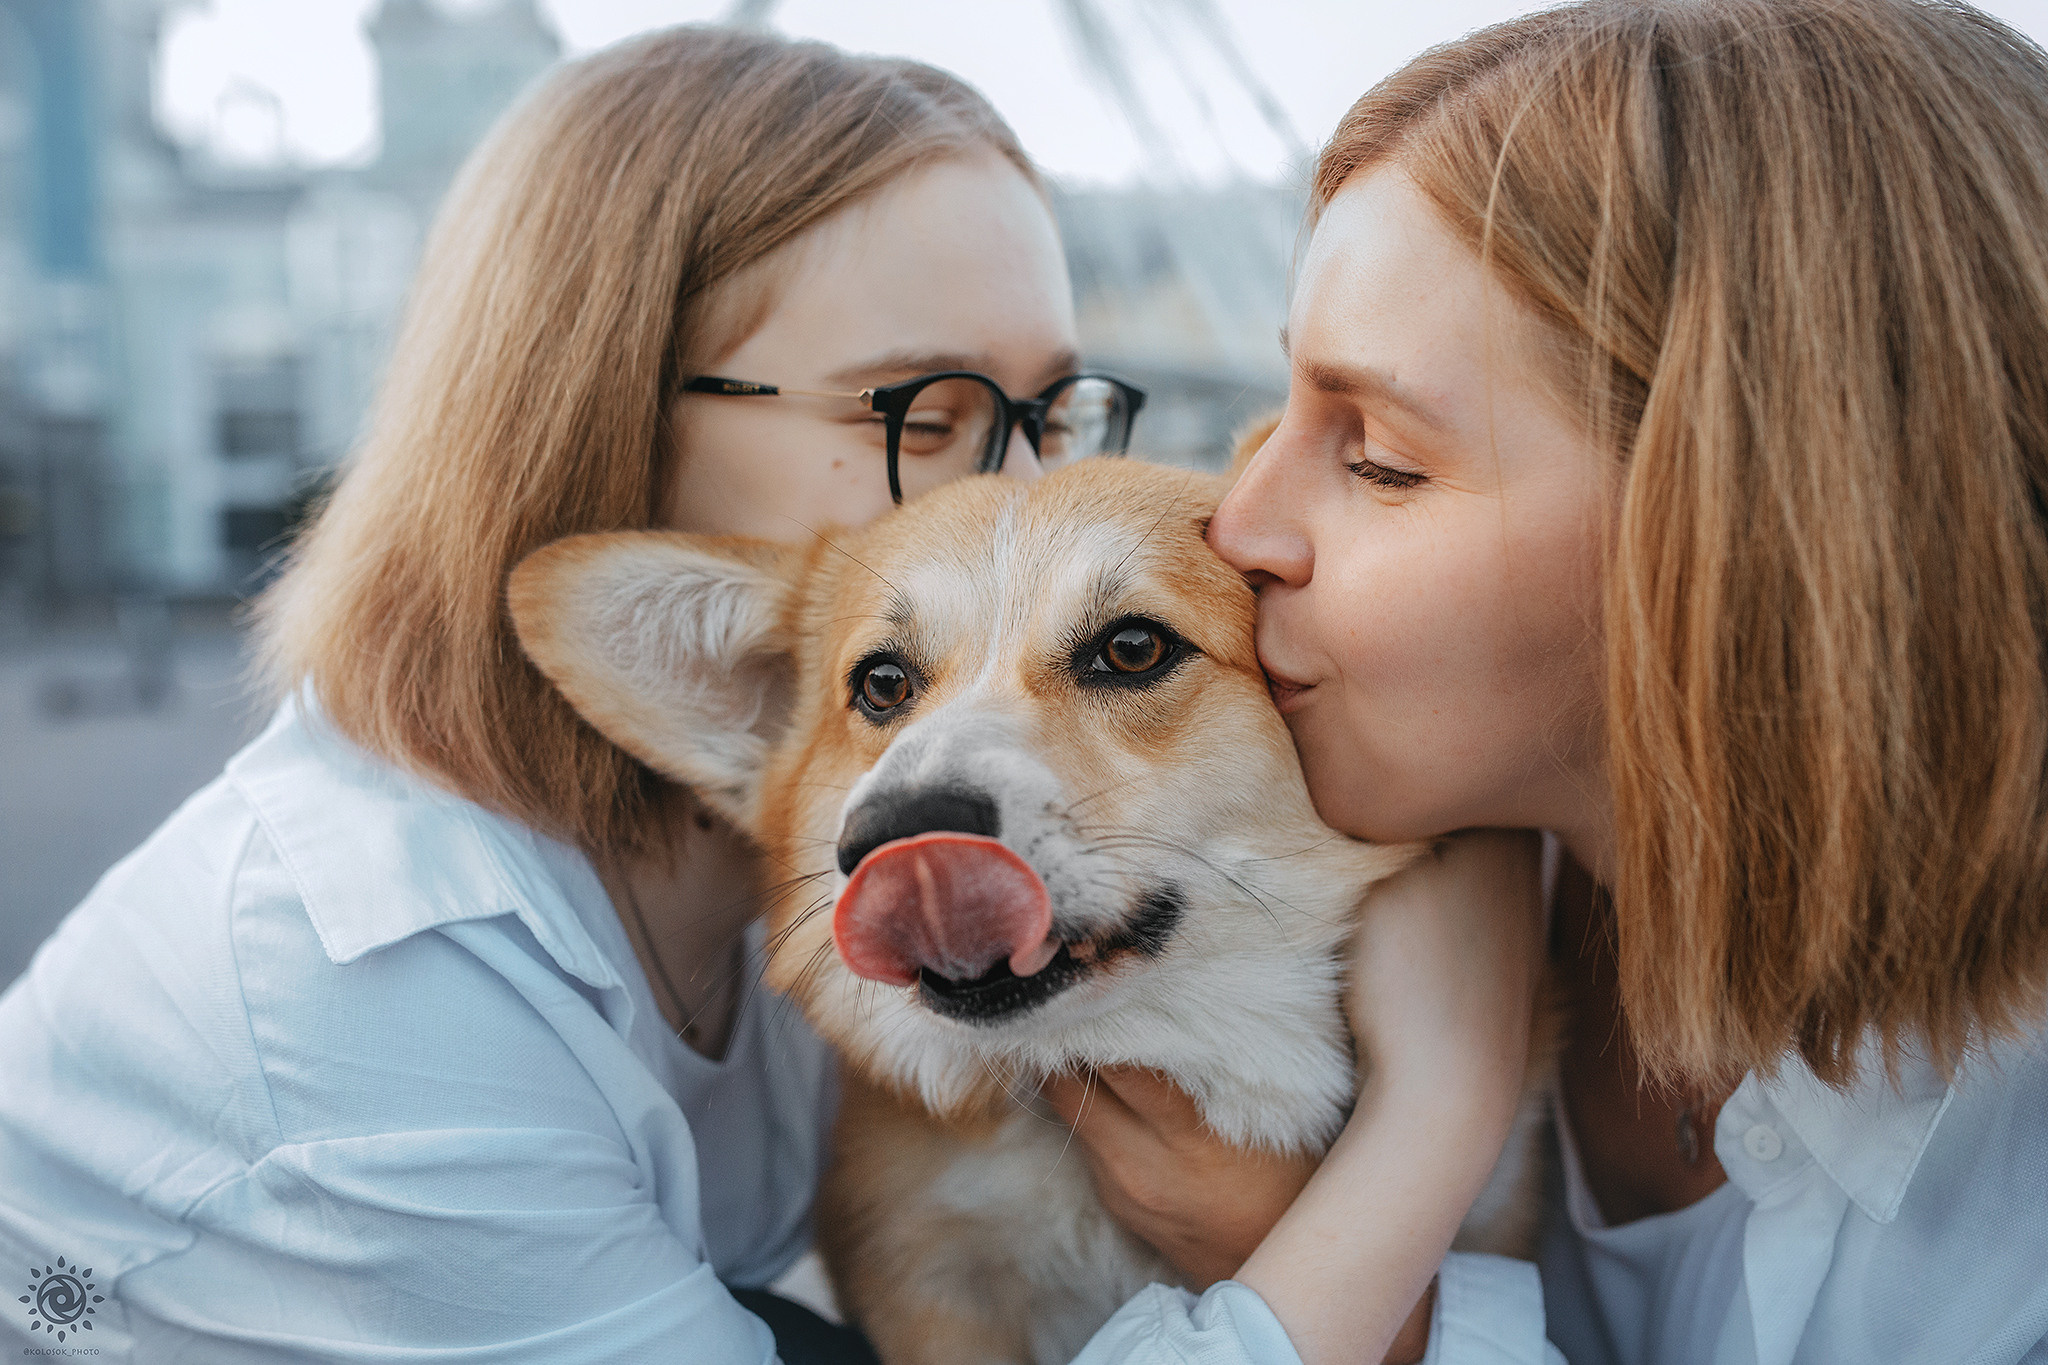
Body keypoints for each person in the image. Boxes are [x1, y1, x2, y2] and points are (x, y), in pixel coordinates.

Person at [0, 22, 1519, 1365]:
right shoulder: (378, 1002)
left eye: (1050, 409)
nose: (1024, 491)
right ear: (602, 415)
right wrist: (1438, 1108)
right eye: (928, 413)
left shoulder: (807, 873)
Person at [1049, 0, 2048, 1362]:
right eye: (1278, 412)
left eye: (1380, 458)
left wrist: (1369, 1246)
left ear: (1751, 530)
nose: (1237, 527)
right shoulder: (1259, 917)